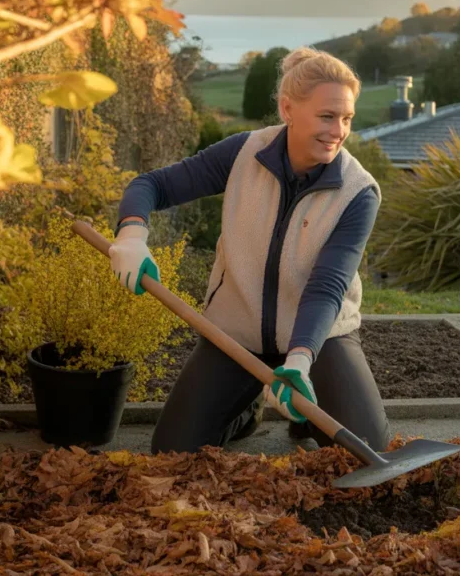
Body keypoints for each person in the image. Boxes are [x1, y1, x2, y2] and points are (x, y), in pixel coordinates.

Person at [109, 46, 390, 455]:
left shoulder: (358, 191)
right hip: (237, 334)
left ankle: (305, 417)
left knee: (365, 447)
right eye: (327, 116)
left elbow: (328, 285)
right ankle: (245, 410)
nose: (338, 130)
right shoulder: (243, 153)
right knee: (172, 451)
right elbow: (150, 185)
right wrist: (131, 234)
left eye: (346, 118)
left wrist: (298, 360)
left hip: (319, 337)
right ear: (288, 108)